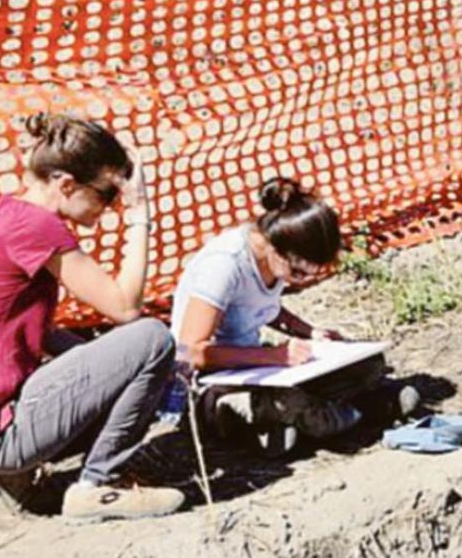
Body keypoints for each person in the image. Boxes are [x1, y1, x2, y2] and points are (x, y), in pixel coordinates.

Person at [0, 113, 183, 523]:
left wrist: (112, 368)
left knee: (136, 362)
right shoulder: (35, 227)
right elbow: (125, 308)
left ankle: (19, 478)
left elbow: (40, 332)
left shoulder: (9, 216)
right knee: (153, 338)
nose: (111, 205)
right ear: (67, 185)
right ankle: (99, 486)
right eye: (106, 194)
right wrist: (140, 215)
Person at [169, 177, 416, 456]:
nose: (300, 280)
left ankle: (291, 425)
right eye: (297, 273)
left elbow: (261, 305)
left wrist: (309, 332)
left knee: (369, 365)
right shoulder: (224, 266)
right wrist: (273, 357)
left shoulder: (271, 259)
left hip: (253, 369)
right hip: (210, 382)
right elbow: (189, 352)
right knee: (289, 402)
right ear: (275, 247)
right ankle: (350, 414)